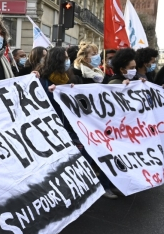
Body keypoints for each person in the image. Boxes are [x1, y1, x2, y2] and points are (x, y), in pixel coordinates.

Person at [39, 47, 120, 199]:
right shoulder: (42, 81)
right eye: (64, 57)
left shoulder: (70, 78)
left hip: (73, 129)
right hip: (54, 132)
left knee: (82, 162)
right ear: (56, 60)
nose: (67, 60)